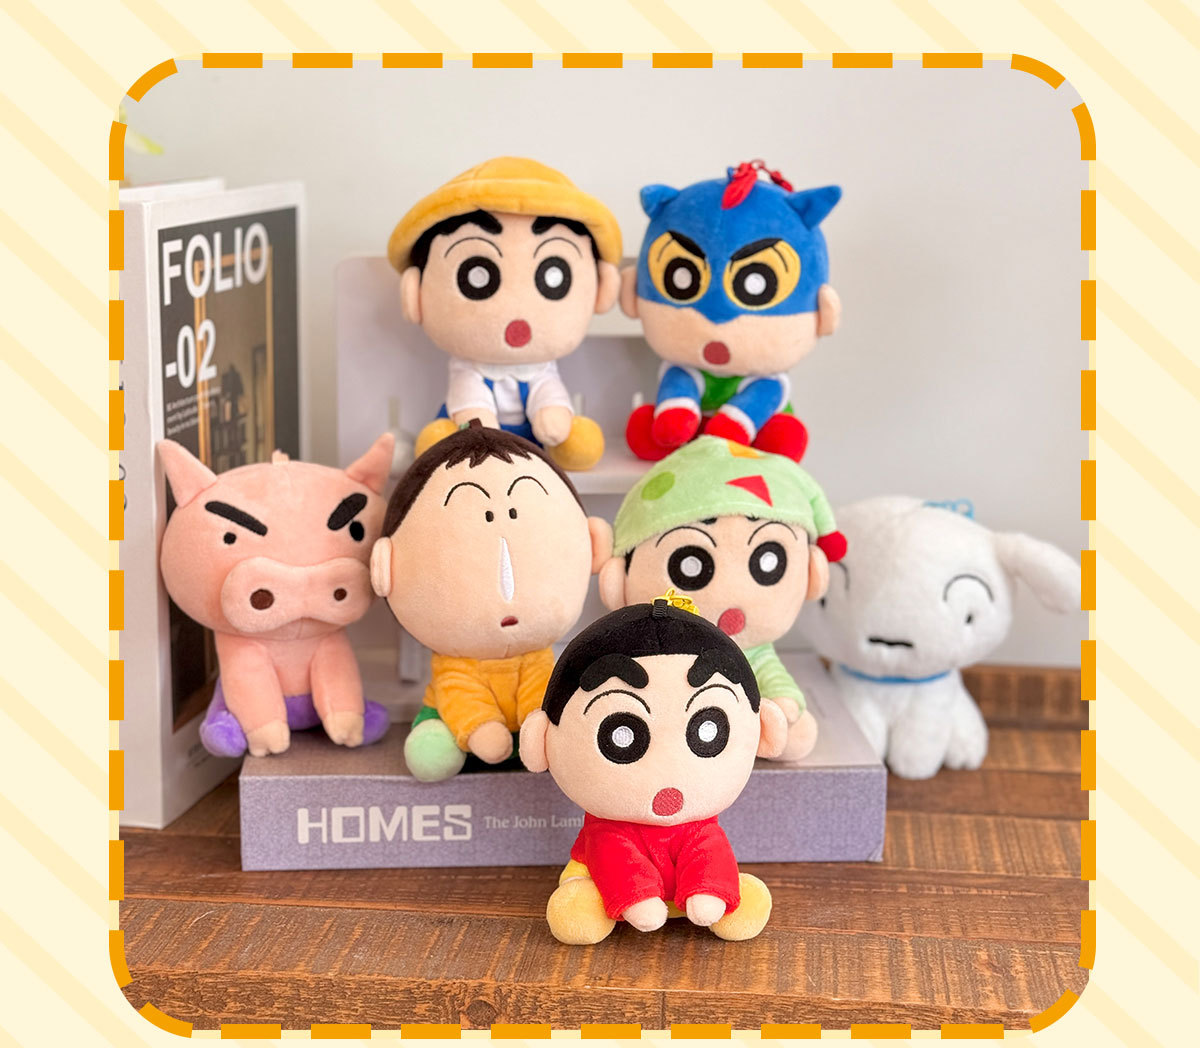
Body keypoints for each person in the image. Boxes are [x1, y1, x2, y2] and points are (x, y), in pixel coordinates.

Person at [519, 598, 788, 943]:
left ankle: (719, 894)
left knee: (718, 868)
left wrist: (709, 890)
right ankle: (606, 900)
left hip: (690, 873)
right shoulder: (607, 830)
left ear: (765, 729)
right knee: (582, 902)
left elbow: (709, 850)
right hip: (604, 878)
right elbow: (612, 855)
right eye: (621, 736)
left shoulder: (702, 825)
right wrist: (636, 898)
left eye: (708, 730)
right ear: (541, 741)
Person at [370, 420, 611, 780]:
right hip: (461, 721)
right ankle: (449, 734)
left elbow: (541, 691)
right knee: (433, 752)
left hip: (531, 687)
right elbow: (461, 696)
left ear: (593, 545)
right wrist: (481, 728)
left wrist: (541, 727)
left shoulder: (539, 656)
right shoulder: (455, 664)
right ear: (385, 569)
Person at [387, 156, 623, 470]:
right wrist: (480, 430)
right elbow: (469, 399)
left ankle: (565, 441)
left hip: (532, 446)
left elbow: (547, 390)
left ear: (602, 290)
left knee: (570, 435)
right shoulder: (468, 369)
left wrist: (553, 417)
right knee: (440, 439)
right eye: (476, 276)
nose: (517, 312)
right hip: (471, 438)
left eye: (553, 276)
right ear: (414, 294)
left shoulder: (542, 368)